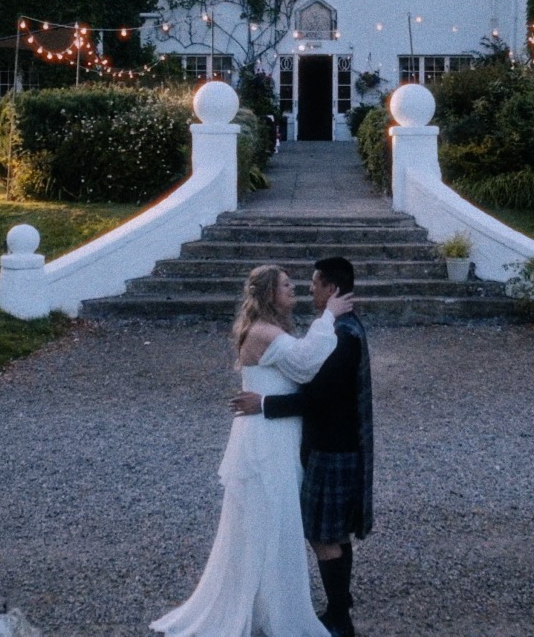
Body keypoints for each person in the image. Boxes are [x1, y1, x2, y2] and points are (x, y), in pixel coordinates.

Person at [153, 267, 354, 637]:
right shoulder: (265, 332)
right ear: (268, 294)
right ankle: (272, 612)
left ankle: (263, 604)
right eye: (286, 286)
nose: (294, 291)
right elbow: (308, 363)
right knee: (270, 523)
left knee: (270, 522)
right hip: (267, 440)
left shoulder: (269, 329)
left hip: (272, 433)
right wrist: (329, 316)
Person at [231, 256, 372, 637]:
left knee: (324, 534)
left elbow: (318, 393)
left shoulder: (342, 333)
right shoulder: (333, 327)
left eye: (311, 284)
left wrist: (265, 404)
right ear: (268, 295)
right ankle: (335, 608)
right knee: (326, 533)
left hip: (331, 446)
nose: (305, 289)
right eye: (291, 285)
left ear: (330, 289)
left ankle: (340, 614)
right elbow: (305, 372)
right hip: (315, 442)